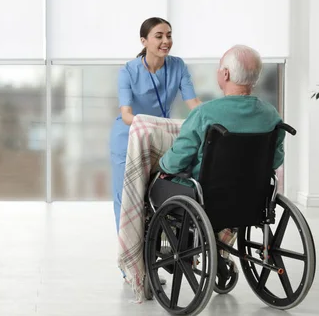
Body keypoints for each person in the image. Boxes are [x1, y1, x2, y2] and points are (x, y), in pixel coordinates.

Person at [109, 17, 201, 233]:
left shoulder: (178, 66)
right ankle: (130, 264)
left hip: (161, 137)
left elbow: (194, 104)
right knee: (128, 201)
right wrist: (151, 124)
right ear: (144, 41)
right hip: (128, 137)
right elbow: (126, 115)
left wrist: (214, 114)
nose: (165, 41)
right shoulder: (128, 72)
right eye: (158, 36)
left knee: (162, 191)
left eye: (169, 35)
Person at [158, 44, 285, 178]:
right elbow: (275, 161)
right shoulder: (271, 115)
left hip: (203, 194)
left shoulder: (203, 113)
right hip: (253, 194)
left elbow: (175, 163)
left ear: (226, 74)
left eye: (219, 68)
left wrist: (163, 166)